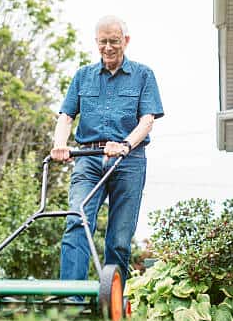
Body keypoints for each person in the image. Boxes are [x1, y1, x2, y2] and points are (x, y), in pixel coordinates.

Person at [50, 15, 164, 285]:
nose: (108, 47)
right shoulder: (83, 76)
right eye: (103, 42)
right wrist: (59, 145)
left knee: (119, 240)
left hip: (128, 161)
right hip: (87, 159)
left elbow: (147, 120)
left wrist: (124, 145)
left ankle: (112, 303)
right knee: (77, 220)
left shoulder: (143, 75)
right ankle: (72, 301)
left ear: (125, 41)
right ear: (96, 42)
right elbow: (66, 117)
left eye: (114, 41)